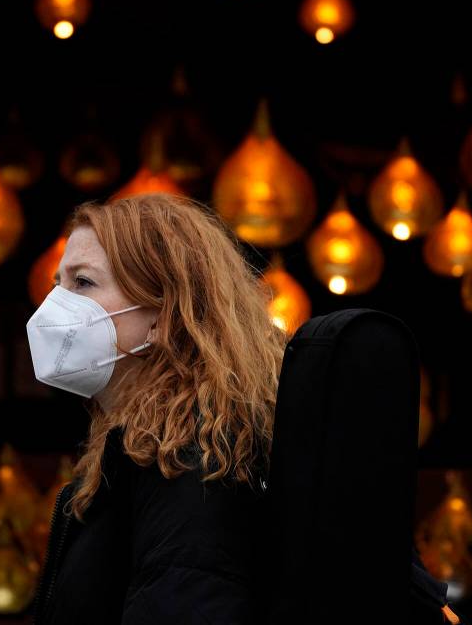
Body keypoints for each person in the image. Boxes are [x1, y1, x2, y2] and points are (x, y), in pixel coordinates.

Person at [26, 193, 284, 625]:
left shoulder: (188, 464)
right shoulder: (149, 449)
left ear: (164, 315)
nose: (53, 306)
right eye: (58, 283)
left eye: (82, 283)